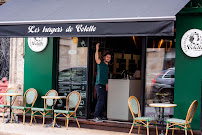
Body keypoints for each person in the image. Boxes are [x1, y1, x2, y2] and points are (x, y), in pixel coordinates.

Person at [93, 43, 111, 122]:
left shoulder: (107, 66)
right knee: (100, 100)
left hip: (104, 85)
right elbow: (96, 58)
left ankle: (101, 115)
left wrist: (107, 84)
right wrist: (97, 48)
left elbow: (106, 77)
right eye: (107, 57)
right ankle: (96, 116)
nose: (108, 58)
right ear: (104, 57)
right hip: (99, 84)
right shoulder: (101, 63)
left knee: (103, 100)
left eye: (109, 57)